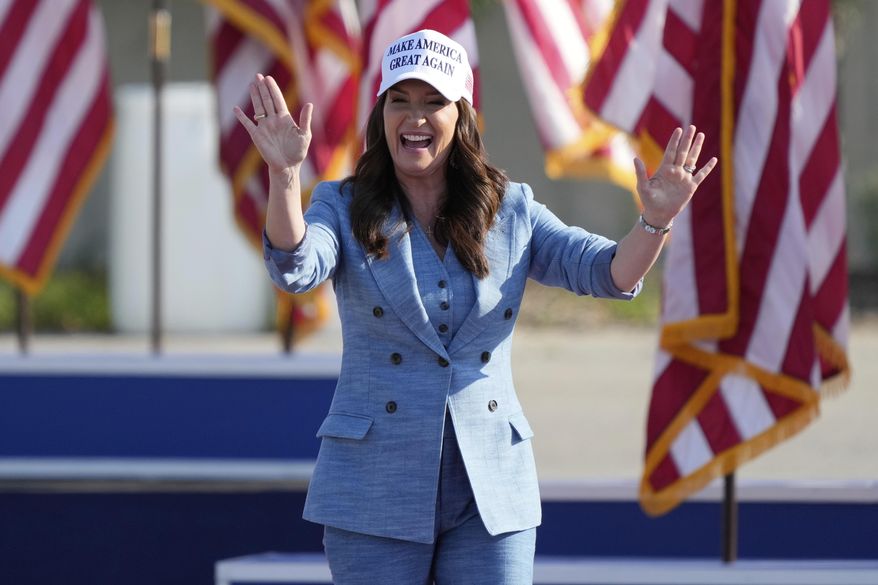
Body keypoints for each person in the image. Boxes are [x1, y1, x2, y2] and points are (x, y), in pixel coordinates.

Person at [234, 29, 716, 585]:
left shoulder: (510, 208)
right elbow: (297, 266)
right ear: (381, 114)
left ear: (461, 117)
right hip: (374, 488)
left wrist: (655, 221)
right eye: (400, 100)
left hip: (489, 493)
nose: (415, 117)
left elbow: (606, 273)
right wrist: (284, 176)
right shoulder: (340, 204)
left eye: (433, 102)